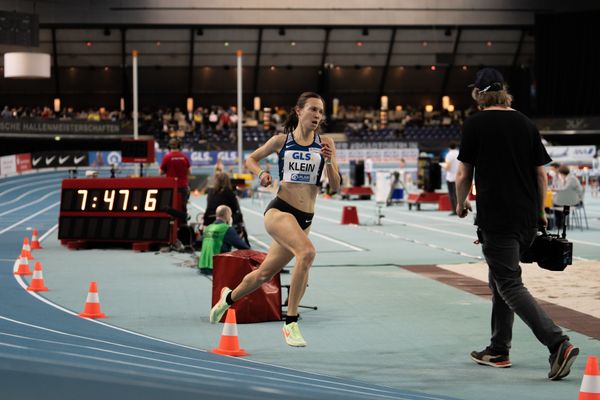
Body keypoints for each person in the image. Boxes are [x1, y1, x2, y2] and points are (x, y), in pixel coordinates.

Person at [455, 68, 578, 380]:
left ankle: (557, 343)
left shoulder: (476, 123)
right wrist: (540, 214)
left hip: (497, 218)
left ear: (480, 94)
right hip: (525, 219)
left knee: (509, 283)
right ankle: (499, 349)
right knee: (500, 280)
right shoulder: (525, 122)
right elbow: (541, 175)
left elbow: (462, 173)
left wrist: (460, 203)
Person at [209, 92, 340, 347]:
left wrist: (329, 161)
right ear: (299, 111)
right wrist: (261, 174)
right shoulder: (282, 141)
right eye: (313, 109)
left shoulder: (326, 143)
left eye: (321, 112)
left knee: (263, 274)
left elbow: (335, 186)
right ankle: (291, 323)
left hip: (305, 218)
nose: (317, 116)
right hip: (280, 211)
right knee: (308, 253)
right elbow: (251, 159)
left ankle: (227, 298)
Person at [198, 205, 250, 275]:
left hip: (202, 267)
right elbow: (244, 247)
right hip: (216, 267)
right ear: (228, 216)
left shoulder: (208, 228)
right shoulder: (226, 229)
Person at [160, 138, 191, 223]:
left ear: (169, 147)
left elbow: (161, 172)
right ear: (180, 146)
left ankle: (171, 224)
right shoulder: (184, 157)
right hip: (183, 186)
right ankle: (184, 227)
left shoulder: (167, 157)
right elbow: (189, 172)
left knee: (170, 207)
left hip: (171, 187)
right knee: (183, 208)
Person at [444, 142, 459, 215]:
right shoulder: (459, 153)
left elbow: (448, 167)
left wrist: (444, 167)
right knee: (459, 194)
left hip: (451, 177)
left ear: (449, 148)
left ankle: (455, 210)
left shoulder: (449, 155)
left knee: (452, 194)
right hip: (459, 176)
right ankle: (461, 209)